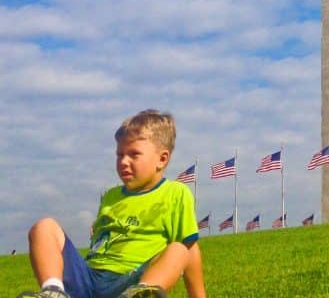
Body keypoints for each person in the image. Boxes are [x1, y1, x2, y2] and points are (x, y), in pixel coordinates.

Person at [17, 110, 206, 298]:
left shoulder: (175, 193)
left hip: (129, 281)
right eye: (119, 154)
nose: (123, 161)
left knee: (179, 248)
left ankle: (140, 294)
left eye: (134, 154)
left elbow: (189, 250)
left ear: (162, 159)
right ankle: (53, 291)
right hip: (90, 277)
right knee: (44, 227)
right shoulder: (111, 195)